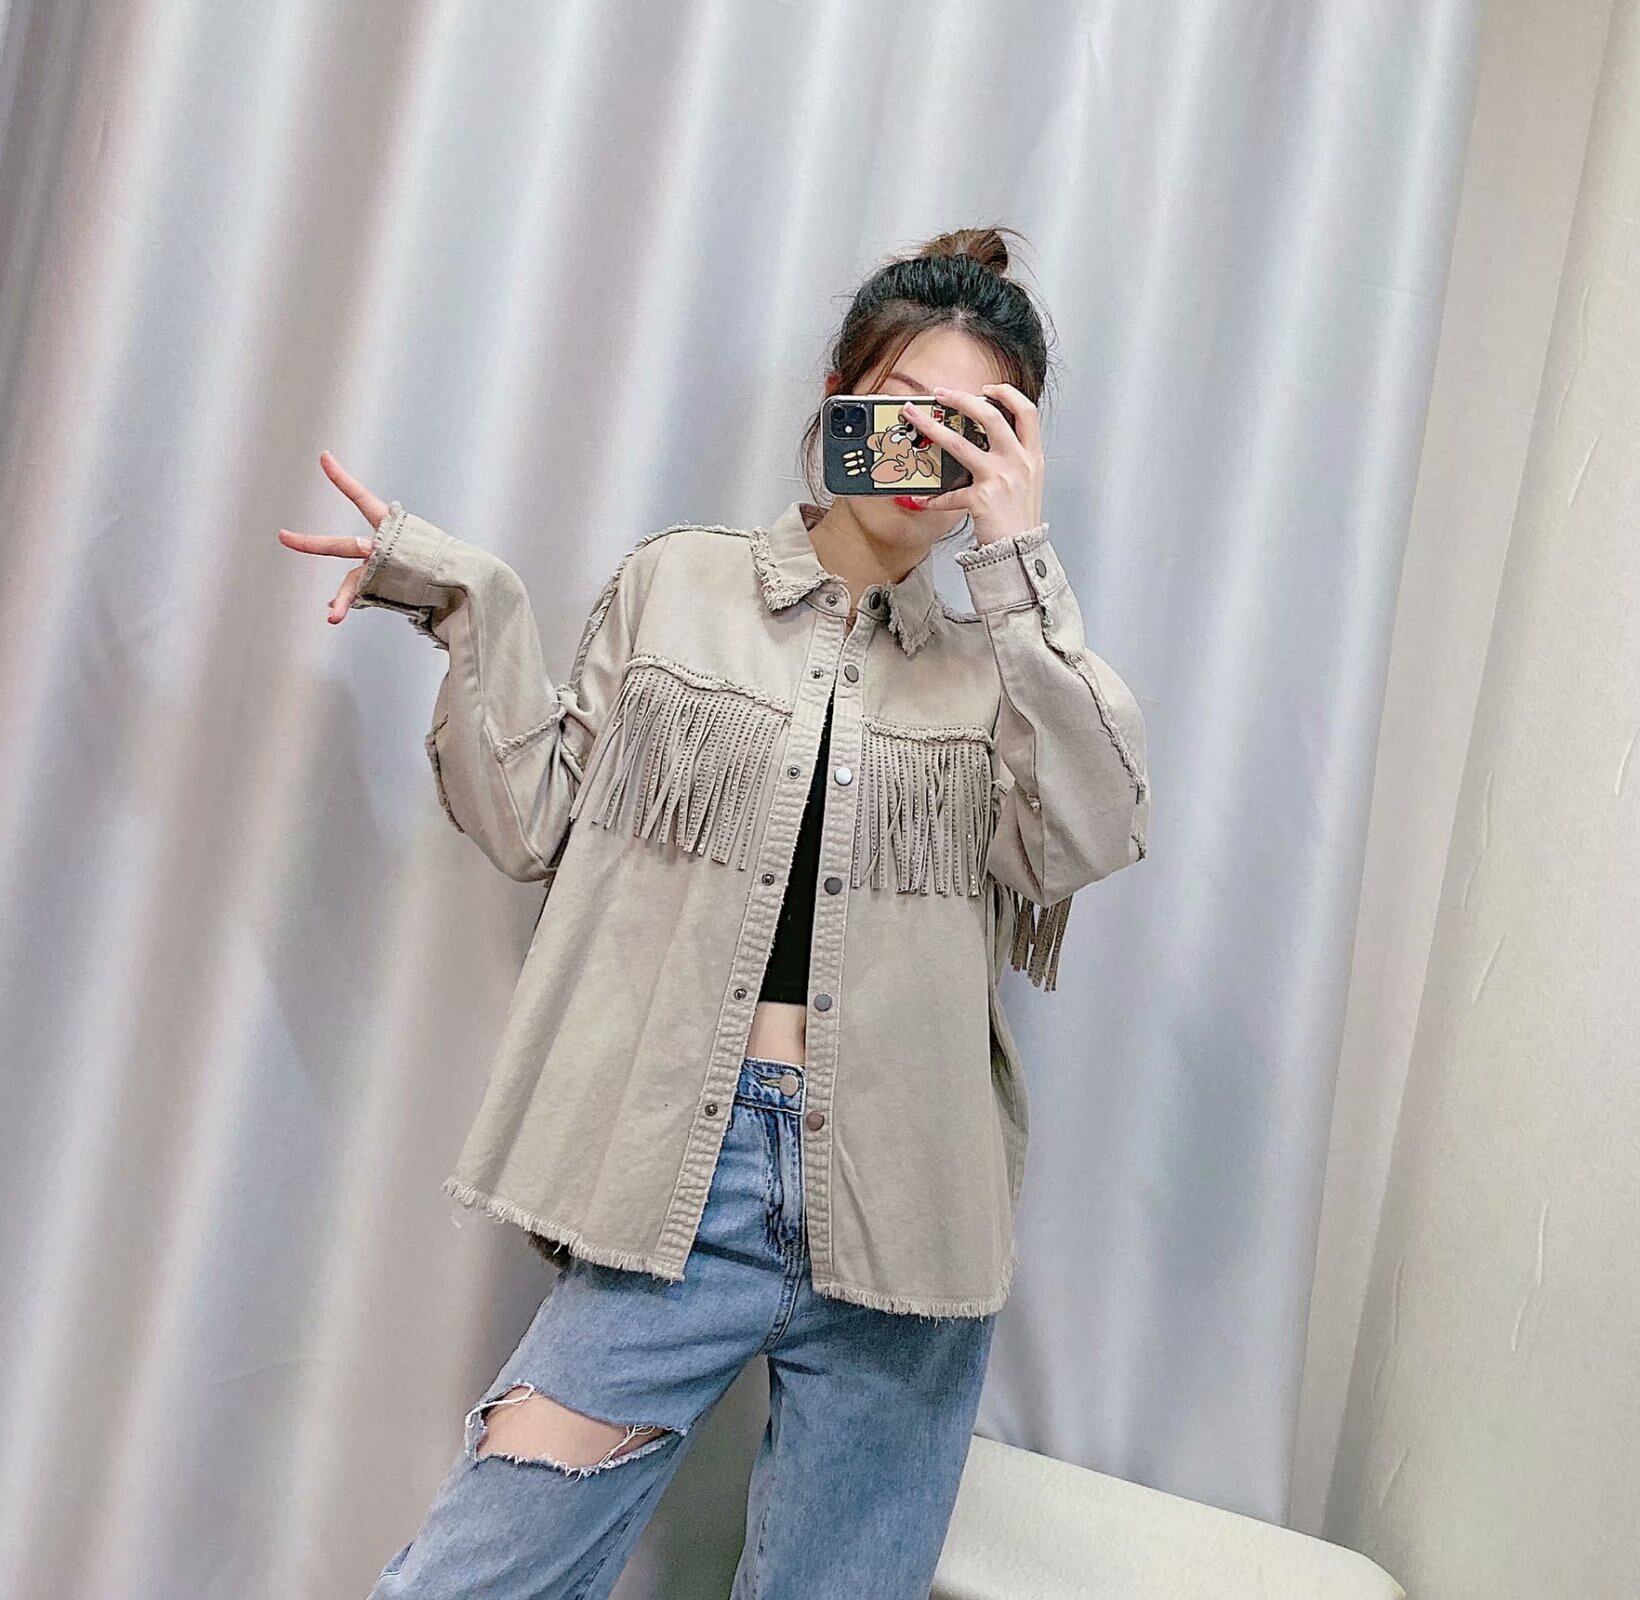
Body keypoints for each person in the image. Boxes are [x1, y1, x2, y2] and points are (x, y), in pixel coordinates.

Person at [279, 224, 1151, 1599]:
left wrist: (1019, 558)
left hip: (914, 1206)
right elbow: (536, 823)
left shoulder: (1006, 674)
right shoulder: (679, 588)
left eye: (975, 428)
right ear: (838, 401)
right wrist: (474, 605)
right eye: (902, 409)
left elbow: (1090, 835)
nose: (929, 450)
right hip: (686, 1168)